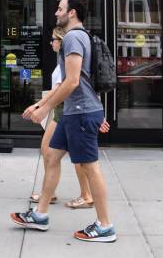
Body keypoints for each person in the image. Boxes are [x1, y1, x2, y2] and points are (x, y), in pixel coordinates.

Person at [11, 0, 116, 243]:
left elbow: (71, 81)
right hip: (73, 113)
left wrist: (45, 108)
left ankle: (105, 226)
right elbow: (66, 83)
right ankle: (40, 214)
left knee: (90, 167)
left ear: (72, 13)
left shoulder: (73, 37)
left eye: (60, 9)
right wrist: (43, 104)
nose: (56, 13)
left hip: (81, 113)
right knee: (51, 156)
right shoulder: (78, 37)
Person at [28, 26, 109, 209]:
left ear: (62, 41)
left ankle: (89, 201)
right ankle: (46, 202)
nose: (50, 43)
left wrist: (40, 106)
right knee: (51, 154)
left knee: (80, 160)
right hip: (66, 113)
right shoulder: (63, 62)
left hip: (68, 113)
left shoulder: (69, 61)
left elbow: (70, 86)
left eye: (53, 40)